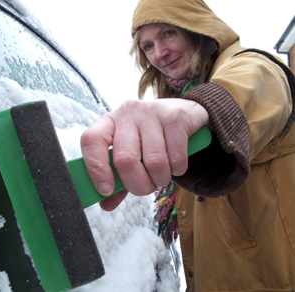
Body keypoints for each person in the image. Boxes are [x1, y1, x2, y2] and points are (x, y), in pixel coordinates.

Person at [80, 0, 295, 291]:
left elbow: (255, 83)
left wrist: (202, 108)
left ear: (196, 27)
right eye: (147, 46)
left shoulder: (247, 64)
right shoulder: (176, 100)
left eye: (168, 33)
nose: (159, 52)